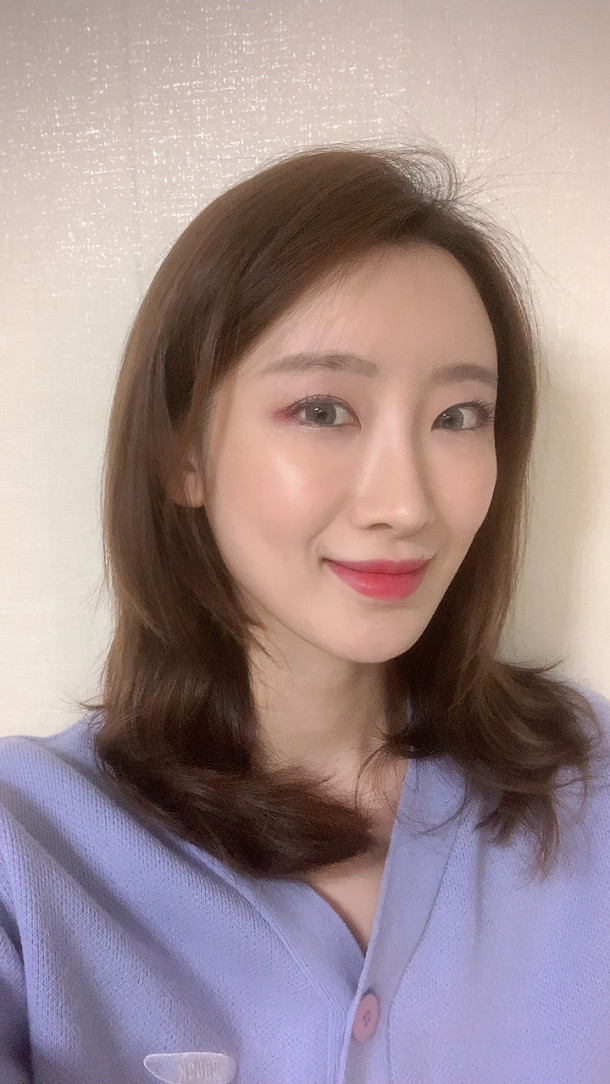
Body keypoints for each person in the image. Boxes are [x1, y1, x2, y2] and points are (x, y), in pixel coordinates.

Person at [1, 144, 609, 1084]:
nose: (406, 503)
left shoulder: (589, 787)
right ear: (181, 454)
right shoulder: (29, 853)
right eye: (324, 410)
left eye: (459, 417)